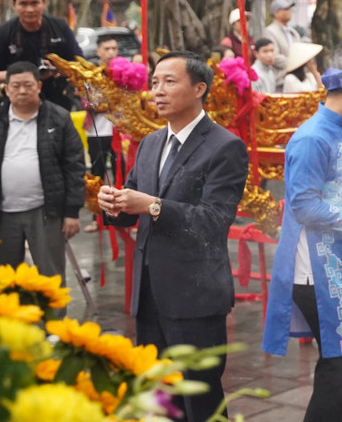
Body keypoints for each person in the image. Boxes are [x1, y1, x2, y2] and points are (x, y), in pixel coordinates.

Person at [98, 52, 249, 422]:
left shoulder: (224, 146)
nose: (158, 91)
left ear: (200, 89)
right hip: (149, 293)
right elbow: (131, 209)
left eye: (169, 81)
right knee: (161, 398)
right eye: (154, 83)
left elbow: (214, 221)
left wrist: (151, 205)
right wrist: (113, 205)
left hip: (195, 297)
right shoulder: (150, 143)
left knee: (201, 397)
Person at [263, 56, 342, 422]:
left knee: (338, 360)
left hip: (335, 262)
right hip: (315, 270)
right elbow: (304, 207)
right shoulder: (313, 138)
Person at [0, 61, 84, 281]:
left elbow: (74, 165)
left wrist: (71, 212)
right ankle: (14, 317)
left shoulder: (59, 118)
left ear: (38, 86)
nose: (22, 90)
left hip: (45, 211)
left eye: (28, 85)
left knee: (51, 277)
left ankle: (55, 317)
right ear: (6, 89)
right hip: (3, 214)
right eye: (16, 85)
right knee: (7, 281)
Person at [0, 0, 81, 109]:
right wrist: (21, 75)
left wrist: (58, 69)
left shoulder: (60, 27)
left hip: (58, 98)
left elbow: (80, 64)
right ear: (14, 5)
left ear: (44, 3)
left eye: (35, 3)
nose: (29, 9)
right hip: (17, 101)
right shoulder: (4, 33)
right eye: (23, 4)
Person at [83, 34, 121, 232]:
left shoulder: (123, 71)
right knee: (97, 174)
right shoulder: (91, 73)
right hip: (97, 131)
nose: (111, 53)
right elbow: (89, 101)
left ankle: (123, 215)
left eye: (114, 48)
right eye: (107, 49)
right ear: (98, 51)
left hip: (120, 131)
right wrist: (110, 102)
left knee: (120, 173)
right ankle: (96, 218)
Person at [264, 0, 299, 67]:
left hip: (297, 73)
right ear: (276, 13)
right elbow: (274, 56)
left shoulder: (293, 32)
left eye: (289, 9)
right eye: (285, 9)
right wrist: (294, 63)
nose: (289, 11)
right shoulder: (270, 31)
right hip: (280, 75)